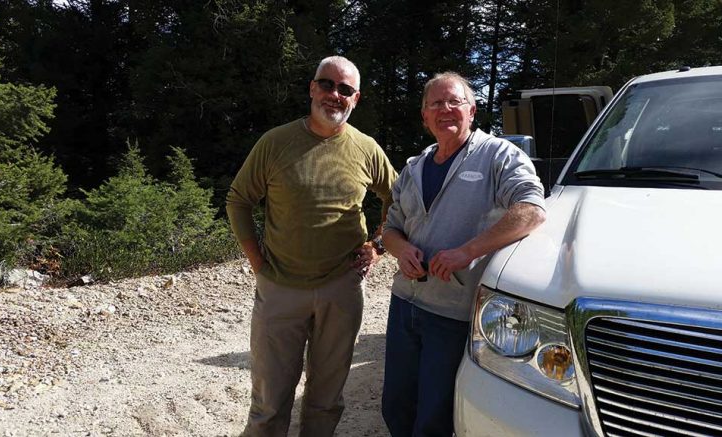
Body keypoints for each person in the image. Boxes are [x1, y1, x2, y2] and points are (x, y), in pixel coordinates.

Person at [226, 55, 397, 437]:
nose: (334, 95)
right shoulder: (275, 142)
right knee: (270, 401)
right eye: (327, 84)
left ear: (356, 99)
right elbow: (239, 199)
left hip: (342, 287)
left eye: (345, 89)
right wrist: (256, 260)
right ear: (312, 88)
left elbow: (398, 197)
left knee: (326, 399)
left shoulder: (366, 148)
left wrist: (379, 244)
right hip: (280, 286)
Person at [380, 72, 546, 436]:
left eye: (454, 101)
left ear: (472, 111)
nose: (445, 109)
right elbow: (390, 228)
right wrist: (402, 248)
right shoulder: (414, 167)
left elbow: (532, 209)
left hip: (454, 312)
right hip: (405, 304)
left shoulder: (498, 156)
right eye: (435, 103)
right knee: (396, 405)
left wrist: (467, 252)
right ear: (424, 116)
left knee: (435, 415)